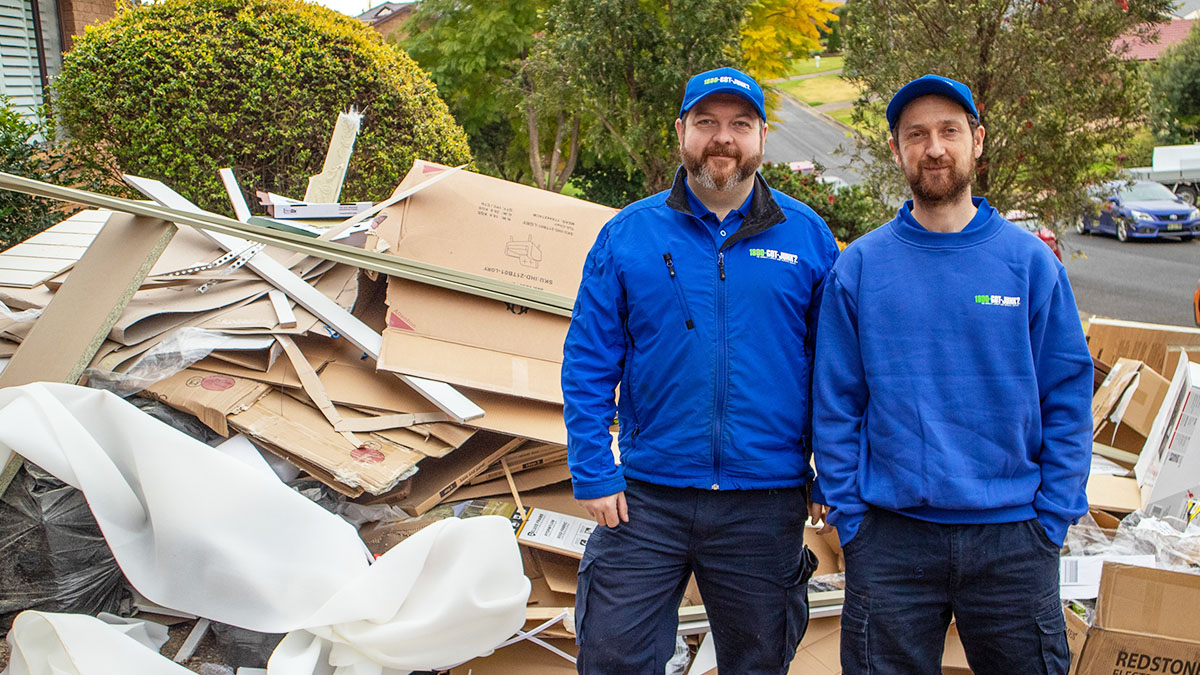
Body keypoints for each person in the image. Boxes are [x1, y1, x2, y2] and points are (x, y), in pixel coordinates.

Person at [811, 74, 1093, 675]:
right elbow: (836, 403)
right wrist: (852, 520)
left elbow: (1067, 393)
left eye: (949, 131)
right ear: (897, 150)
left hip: (1014, 538)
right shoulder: (859, 267)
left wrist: (1053, 517)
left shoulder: (1030, 264)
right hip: (891, 540)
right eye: (916, 134)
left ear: (977, 141)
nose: (934, 147)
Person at [562, 66, 839, 674]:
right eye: (707, 122)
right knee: (612, 655)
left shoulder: (809, 238)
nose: (723, 138)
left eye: (740, 124)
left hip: (764, 501)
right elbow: (588, 357)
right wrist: (590, 465)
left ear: (762, 138)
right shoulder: (628, 235)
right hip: (645, 498)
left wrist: (831, 473)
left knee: (758, 662)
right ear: (681, 132)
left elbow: (837, 369)